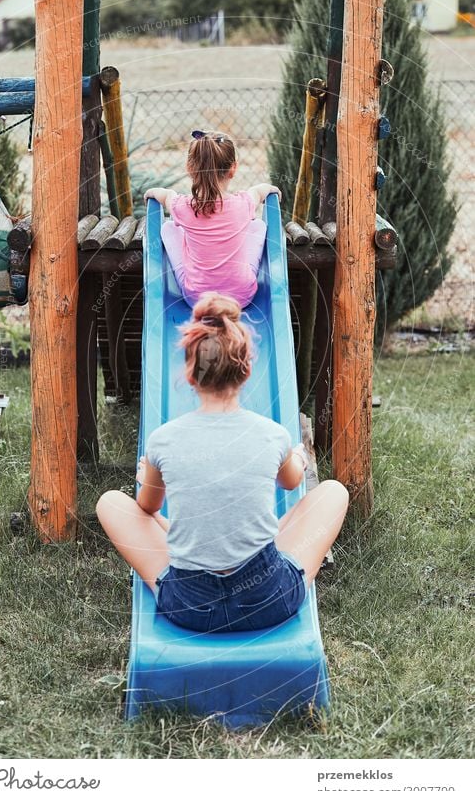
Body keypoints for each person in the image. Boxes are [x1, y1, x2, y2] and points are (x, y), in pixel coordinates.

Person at [96, 292, 349, 634]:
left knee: (111, 503)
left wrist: (150, 479)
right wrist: (299, 457)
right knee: (332, 493)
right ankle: (216, 549)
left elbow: (146, 506)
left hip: (189, 608)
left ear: (190, 374)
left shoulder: (164, 440)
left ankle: (192, 546)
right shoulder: (271, 435)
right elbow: (291, 482)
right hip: (269, 601)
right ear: (246, 371)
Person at [144, 129, 281, 309]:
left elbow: (166, 196)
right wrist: (271, 188)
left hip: (197, 299)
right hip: (241, 296)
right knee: (258, 226)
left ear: (189, 168)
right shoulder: (243, 204)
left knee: (170, 227)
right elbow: (257, 192)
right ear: (233, 169)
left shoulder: (183, 207)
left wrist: (153, 192)